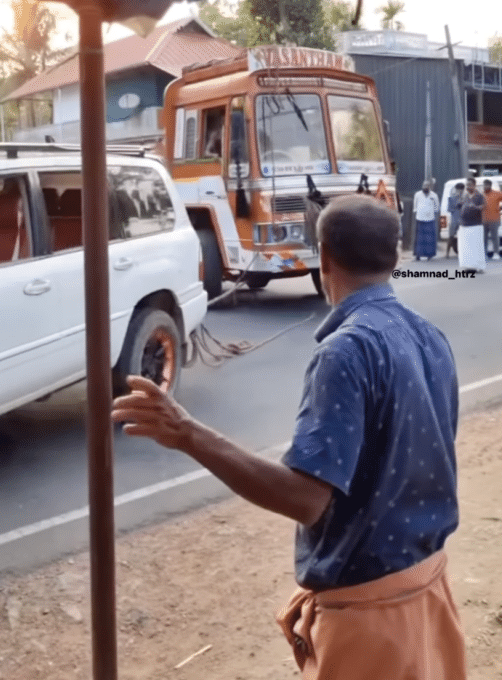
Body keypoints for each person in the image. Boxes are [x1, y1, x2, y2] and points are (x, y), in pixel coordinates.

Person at [112, 196, 466, 680]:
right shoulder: (430, 336)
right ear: (395, 257)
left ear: (324, 260)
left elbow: (306, 499)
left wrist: (187, 433)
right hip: (430, 596)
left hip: (372, 625)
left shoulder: (347, 351)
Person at [458, 177, 486, 272]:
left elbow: (484, 207)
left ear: (474, 185)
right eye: (467, 185)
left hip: (475, 225)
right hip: (465, 225)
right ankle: (469, 266)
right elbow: (460, 205)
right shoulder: (464, 196)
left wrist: (475, 207)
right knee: (466, 248)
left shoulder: (479, 196)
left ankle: (479, 267)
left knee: (477, 248)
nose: (467, 187)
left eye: (469, 185)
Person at [482, 179, 502, 260]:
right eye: (484, 185)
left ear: (490, 185)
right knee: (484, 238)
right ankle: (484, 254)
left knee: (494, 237)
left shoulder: (496, 193)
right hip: (483, 219)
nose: (485, 187)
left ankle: (496, 253)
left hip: (494, 219)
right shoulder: (481, 194)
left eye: (486, 185)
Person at [412, 180, 439, 260]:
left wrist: (432, 213)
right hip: (420, 219)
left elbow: (436, 207)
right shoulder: (417, 194)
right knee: (419, 239)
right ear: (422, 186)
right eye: (424, 185)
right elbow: (415, 206)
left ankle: (429, 255)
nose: (425, 187)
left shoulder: (434, 195)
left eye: (427, 185)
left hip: (430, 219)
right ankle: (418, 255)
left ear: (429, 186)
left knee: (429, 238)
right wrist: (417, 213)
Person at [446, 182, 465, 257]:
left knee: (463, 236)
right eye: (458, 190)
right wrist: (456, 206)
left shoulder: (465, 198)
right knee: (451, 236)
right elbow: (449, 209)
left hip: (463, 219)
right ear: (456, 190)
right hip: (454, 219)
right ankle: (447, 253)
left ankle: (462, 252)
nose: (460, 191)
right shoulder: (451, 198)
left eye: (461, 190)